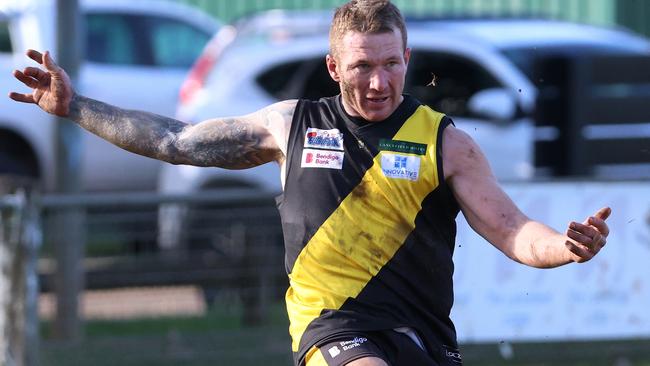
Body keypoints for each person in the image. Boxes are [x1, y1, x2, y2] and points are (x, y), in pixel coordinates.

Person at [9, 1, 610, 365]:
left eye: (391, 63)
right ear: (333, 67)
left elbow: (510, 229)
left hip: (423, 333)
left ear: (407, 57)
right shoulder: (290, 125)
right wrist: (76, 107)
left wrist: (564, 246)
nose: (379, 82)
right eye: (362, 66)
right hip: (334, 328)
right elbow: (173, 141)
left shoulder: (446, 142)